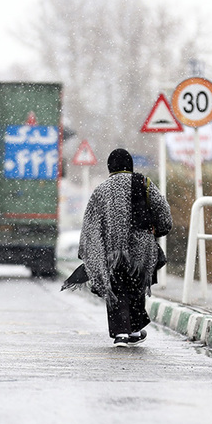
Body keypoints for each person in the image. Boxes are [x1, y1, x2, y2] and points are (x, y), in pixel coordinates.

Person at [62, 148, 172, 347]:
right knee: (136, 286)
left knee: (117, 288)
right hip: (142, 250)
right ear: (130, 165)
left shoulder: (101, 190)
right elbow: (163, 213)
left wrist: (89, 251)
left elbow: (90, 224)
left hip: (112, 252)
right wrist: (159, 230)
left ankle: (121, 332)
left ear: (110, 167)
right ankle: (135, 329)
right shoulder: (144, 183)